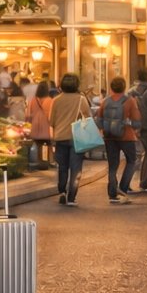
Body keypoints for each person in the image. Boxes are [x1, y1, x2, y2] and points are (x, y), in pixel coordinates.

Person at [48, 73, 91, 206]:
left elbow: (51, 121)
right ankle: (72, 197)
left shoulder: (56, 100)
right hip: (76, 138)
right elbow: (87, 118)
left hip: (60, 137)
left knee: (62, 167)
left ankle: (62, 191)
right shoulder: (81, 99)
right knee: (76, 169)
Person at [97, 76, 141, 203]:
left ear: (111, 87)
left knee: (112, 166)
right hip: (126, 136)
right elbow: (137, 122)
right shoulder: (130, 101)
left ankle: (112, 194)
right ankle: (123, 188)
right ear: (124, 87)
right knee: (131, 161)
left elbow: (99, 121)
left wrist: (105, 129)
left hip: (109, 137)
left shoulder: (105, 101)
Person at [27, 80, 54, 168]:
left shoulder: (33, 100)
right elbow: (52, 114)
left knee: (39, 145)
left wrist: (28, 123)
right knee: (47, 144)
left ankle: (41, 161)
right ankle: (46, 161)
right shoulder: (50, 100)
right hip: (46, 126)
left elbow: (28, 114)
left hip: (35, 126)